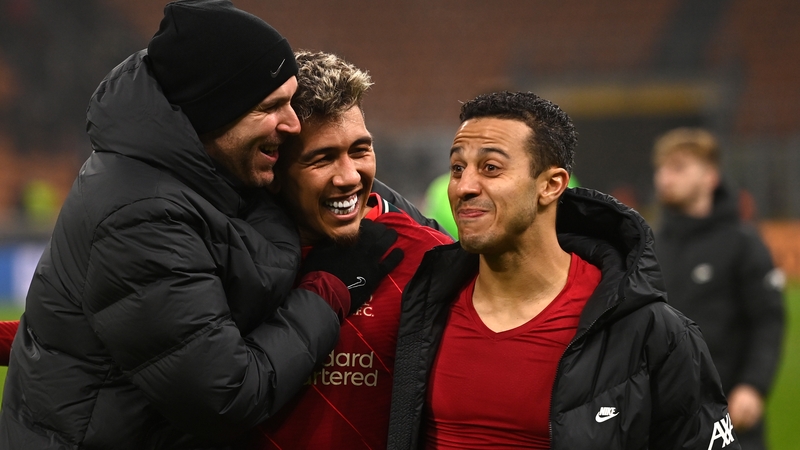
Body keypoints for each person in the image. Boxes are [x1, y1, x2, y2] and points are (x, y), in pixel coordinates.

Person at [0, 1, 408, 447]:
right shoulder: (141, 214)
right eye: (273, 106)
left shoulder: (203, 167)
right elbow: (226, 394)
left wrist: (376, 207)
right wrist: (329, 287)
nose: (292, 124)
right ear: (216, 112)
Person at [387, 91, 738, 449]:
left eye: (490, 168)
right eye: (457, 168)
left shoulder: (649, 331)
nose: (464, 187)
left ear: (551, 185)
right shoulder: (423, 313)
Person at [229, 51, 451, 449]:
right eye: (322, 159)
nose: (349, 177)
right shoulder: (230, 262)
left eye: (361, 150)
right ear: (275, 173)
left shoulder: (431, 258)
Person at [652, 127, 785, 450]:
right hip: (661, 418)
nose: (665, 177)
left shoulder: (743, 243)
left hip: (729, 416)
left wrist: (753, 386)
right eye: (662, 168)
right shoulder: (649, 245)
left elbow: (768, 320)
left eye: (679, 167)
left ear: (710, 177)